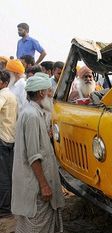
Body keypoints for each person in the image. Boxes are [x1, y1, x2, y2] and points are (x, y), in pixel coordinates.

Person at [12, 73, 64, 233]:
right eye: (49, 91)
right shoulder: (32, 116)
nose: (51, 94)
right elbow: (34, 156)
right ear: (41, 93)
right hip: (35, 187)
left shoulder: (31, 112)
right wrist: (44, 185)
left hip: (31, 184)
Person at [0, 70, 17, 218]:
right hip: (10, 138)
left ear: (4, 82)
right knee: (8, 174)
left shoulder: (2, 95)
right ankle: (9, 205)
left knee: (3, 176)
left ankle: (5, 209)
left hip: (2, 139)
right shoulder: (11, 94)